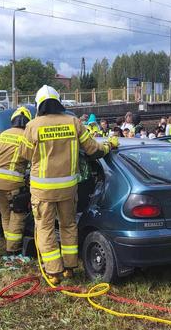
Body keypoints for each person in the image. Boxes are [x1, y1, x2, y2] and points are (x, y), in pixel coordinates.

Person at [20, 85, 117, 284]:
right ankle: (70, 268)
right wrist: (109, 145)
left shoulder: (33, 126)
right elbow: (93, 150)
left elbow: (25, 155)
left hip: (43, 190)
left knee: (45, 228)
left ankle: (54, 272)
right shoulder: (73, 122)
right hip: (68, 189)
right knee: (69, 225)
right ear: (59, 102)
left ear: (39, 105)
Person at [0, 106, 32, 256]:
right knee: (18, 215)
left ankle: (9, 244)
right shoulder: (26, 136)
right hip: (13, 183)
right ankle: (13, 250)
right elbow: (32, 159)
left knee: (5, 215)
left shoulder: (3, 134)